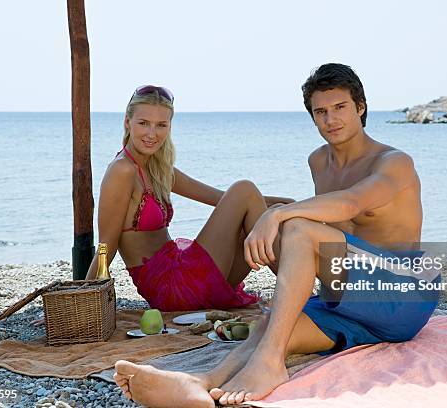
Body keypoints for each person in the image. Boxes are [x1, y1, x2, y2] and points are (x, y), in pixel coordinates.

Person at [112, 64, 440, 407]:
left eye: (340, 108)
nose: (331, 119)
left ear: (360, 107)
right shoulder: (318, 161)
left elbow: (351, 203)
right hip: (353, 307)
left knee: (298, 229)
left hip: (403, 292)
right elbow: (332, 226)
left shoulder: (393, 162)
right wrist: (275, 214)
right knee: (274, 325)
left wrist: (279, 214)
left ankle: (269, 366)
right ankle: (198, 381)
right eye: (321, 112)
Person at [85, 85, 293, 312]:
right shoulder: (122, 171)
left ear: (169, 127)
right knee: (245, 188)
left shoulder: (158, 167)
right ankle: (294, 292)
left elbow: (220, 198)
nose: (152, 134)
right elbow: (106, 246)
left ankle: (311, 288)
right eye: (143, 123)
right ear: (127, 122)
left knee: (272, 210)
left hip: (183, 271)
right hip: (170, 288)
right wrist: (82, 300)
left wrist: (287, 205)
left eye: (161, 125)